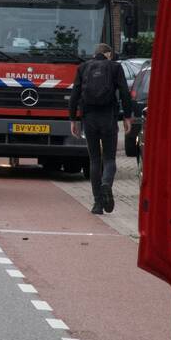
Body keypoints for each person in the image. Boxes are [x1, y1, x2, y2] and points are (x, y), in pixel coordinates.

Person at [69, 43, 133, 214]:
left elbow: (74, 95)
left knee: (95, 160)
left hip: (89, 118)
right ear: (108, 54)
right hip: (108, 117)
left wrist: (73, 119)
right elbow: (125, 93)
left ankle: (97, 204)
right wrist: (127, 117)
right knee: (110, 159)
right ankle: (106, 183)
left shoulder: (83, 68)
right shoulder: (115, 67)